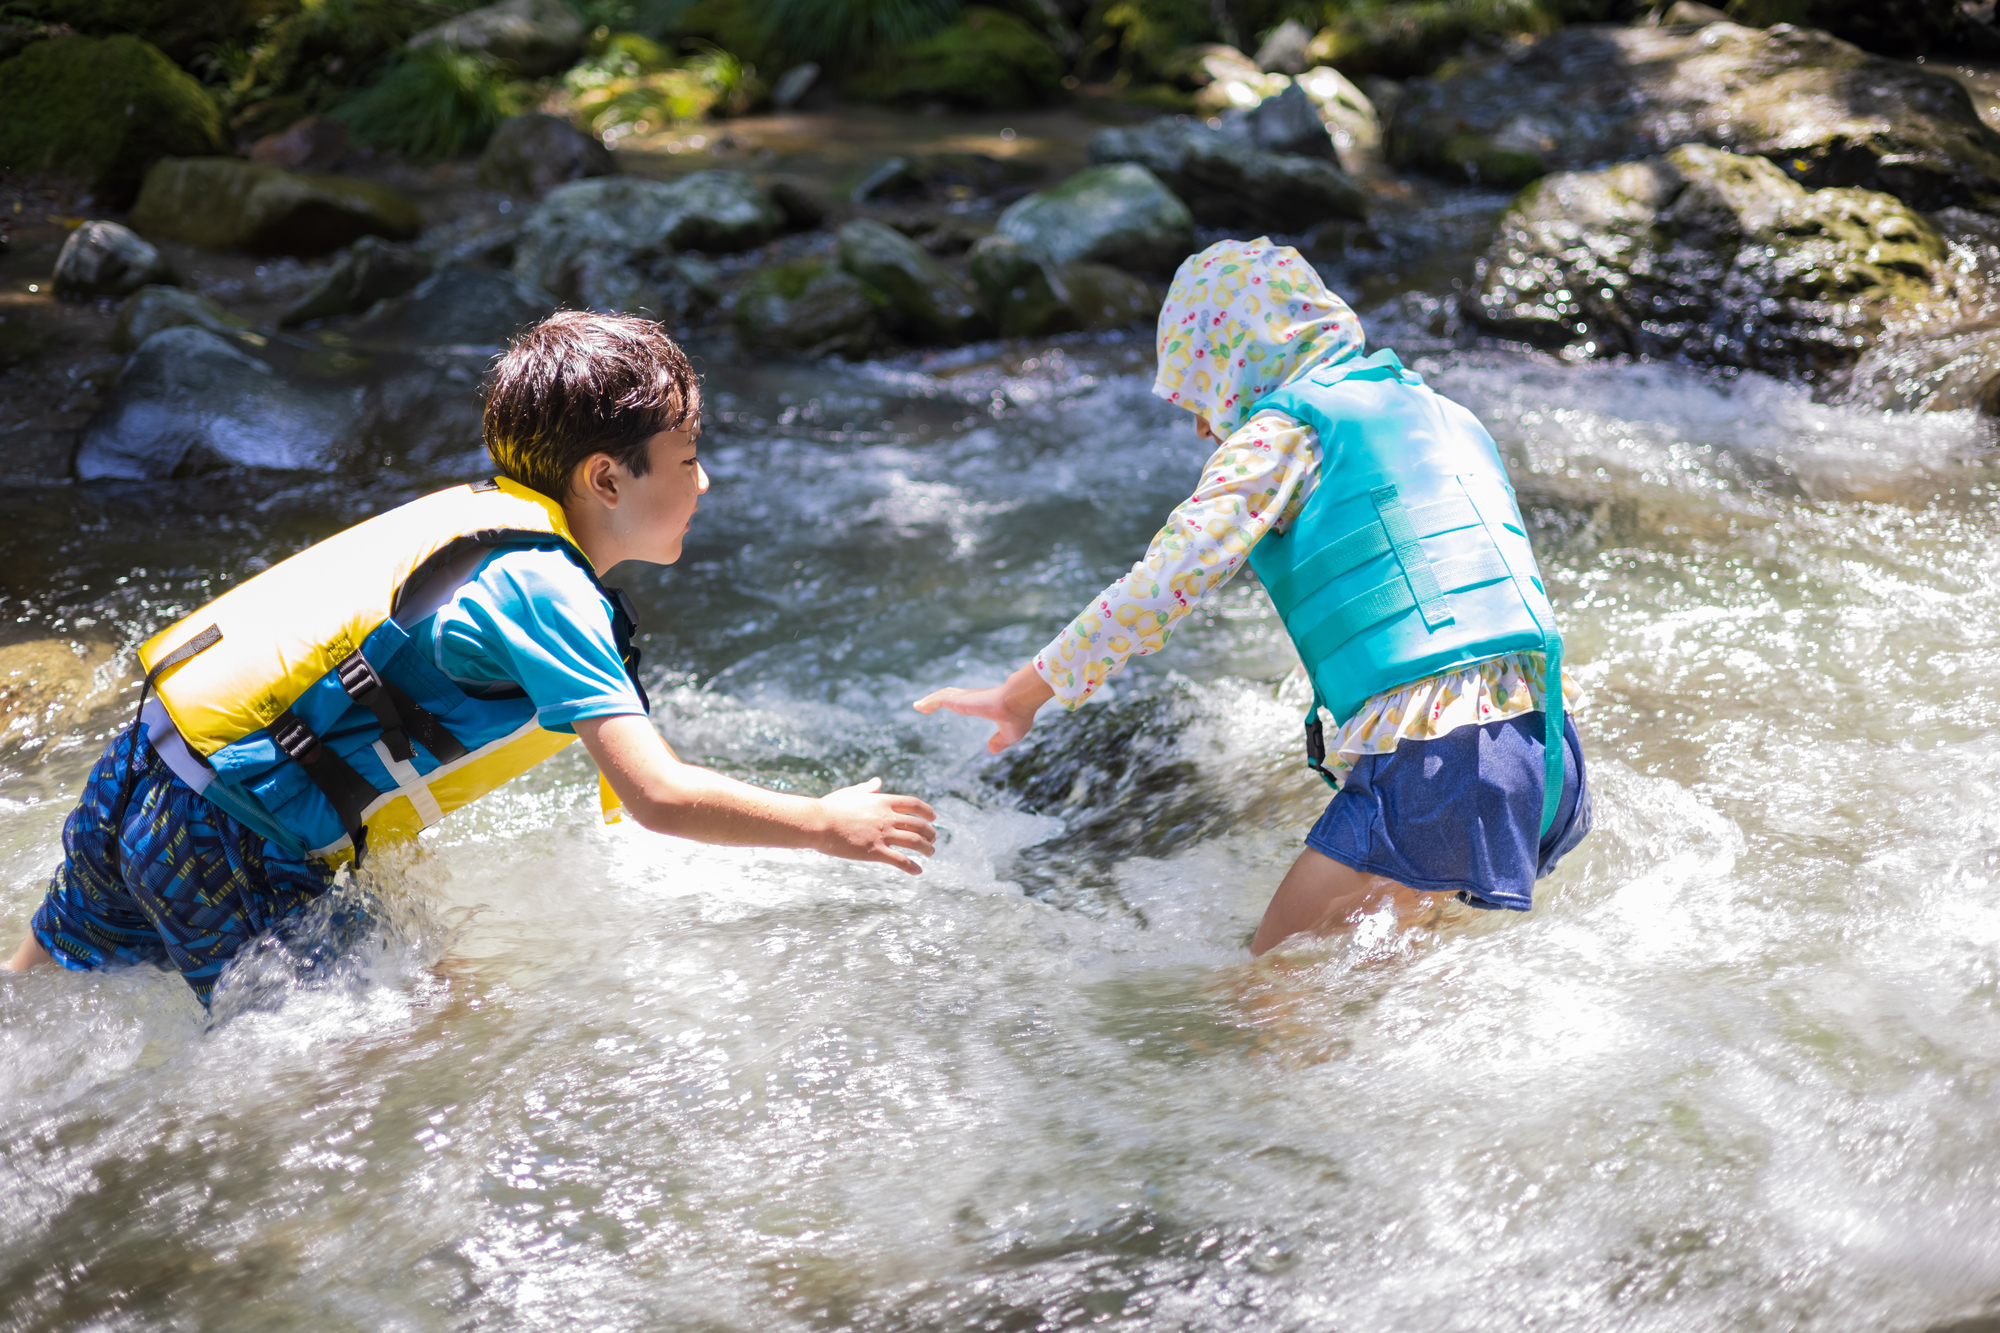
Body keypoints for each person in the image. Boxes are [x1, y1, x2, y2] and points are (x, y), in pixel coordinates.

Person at [5, 312, 936, 1004]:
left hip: (148, 763)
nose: (705, 479)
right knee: (403, 1055)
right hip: (231, 837)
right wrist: (823, 821)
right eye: (687, 456)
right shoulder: (550, 589)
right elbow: (657, 795)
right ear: (607, 477)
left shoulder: (479, 521)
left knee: (33, 1002)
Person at [916, 239, 1589, 953]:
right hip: (1543, 742)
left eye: (1199, 390)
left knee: (1267, 991)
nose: (1205, 425)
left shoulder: (1286, 431)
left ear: (1237, 360)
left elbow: (1165, 579)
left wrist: (1022, 693)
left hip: (1441, 756)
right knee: (1392, 979)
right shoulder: (1443, 412)